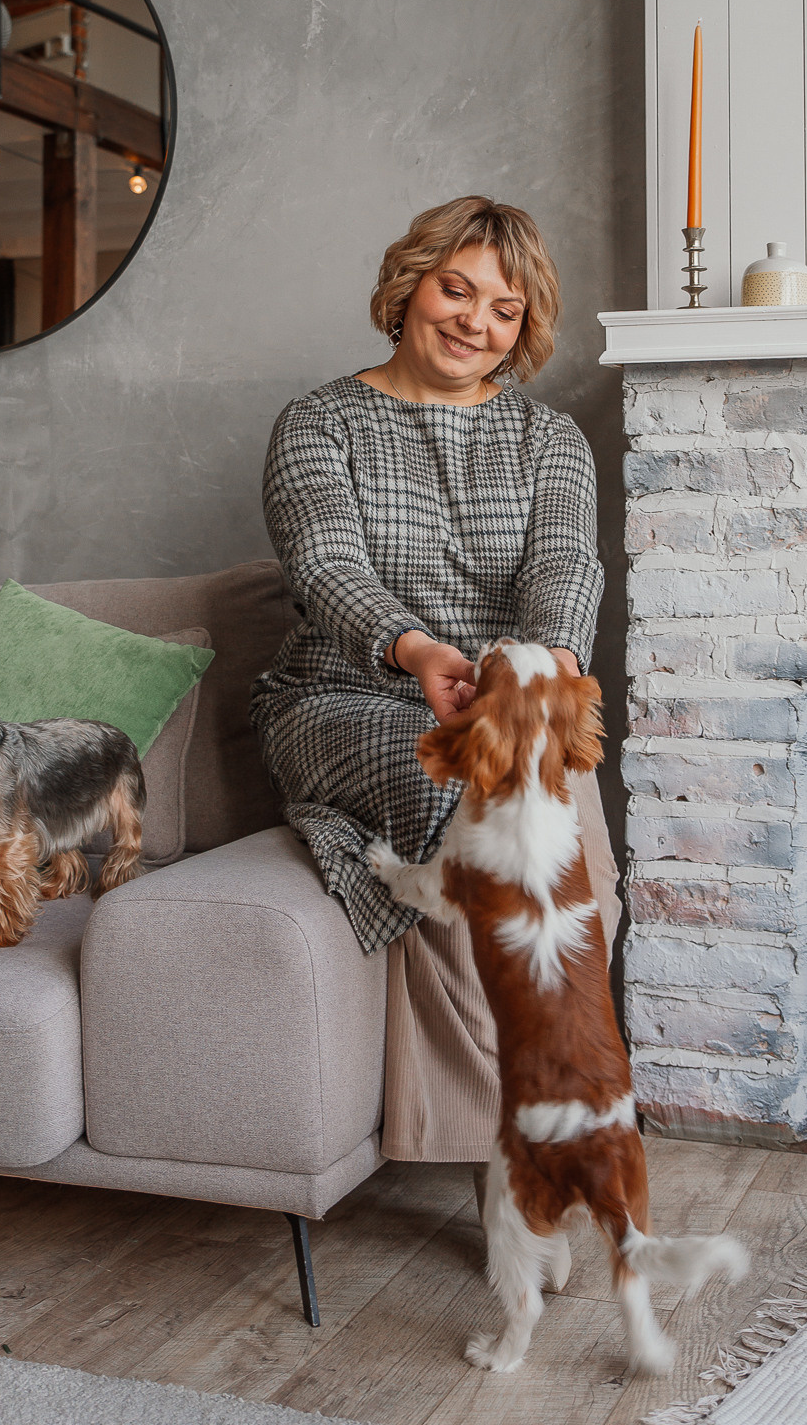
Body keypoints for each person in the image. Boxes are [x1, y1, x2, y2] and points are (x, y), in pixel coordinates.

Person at [249, 196, 620, 1162]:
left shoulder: (551, 440)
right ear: (410, 284)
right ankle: (498, 1144)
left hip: (498, 705)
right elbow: (325, 562)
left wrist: (545, 675)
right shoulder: (320, 423)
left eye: (504, 310)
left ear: (523, 329)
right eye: (457, 290)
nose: (474, 322)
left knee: (571, 840)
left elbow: (564, 567)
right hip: (339, 697)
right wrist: (415, 653)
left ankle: (558, 1100)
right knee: (459, 802)